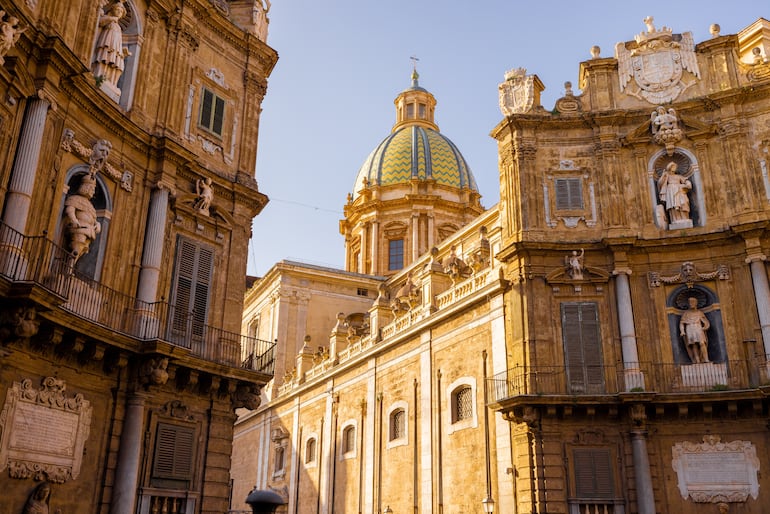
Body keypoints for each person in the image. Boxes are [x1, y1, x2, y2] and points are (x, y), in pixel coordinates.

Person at [64, 175, 101, 263]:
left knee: (82, 249)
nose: (93, 192)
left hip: (89, 230)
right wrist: (73, 219)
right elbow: (70, 209)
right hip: (79, 227)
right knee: (77, 247)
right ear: (86, 188)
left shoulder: (91, 206)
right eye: (92, 189)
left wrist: (98, 224)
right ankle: (68, 268)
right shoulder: (75, 198)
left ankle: (70, 268)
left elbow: (94, 219)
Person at [92, 2, 129, 87]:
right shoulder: (108, 18)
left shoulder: (119, 27)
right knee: (104, 58)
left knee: (119, 66)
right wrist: (111, 19)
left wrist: (123, 51)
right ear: (112, 10)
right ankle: (99, 76)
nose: (119, 12)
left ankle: (111, 81)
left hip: (115, 49)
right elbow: (100, 22)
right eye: (117, 10)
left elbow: (117, 41)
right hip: (106, 44)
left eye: (121, 11)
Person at [679, 297, 710, 363]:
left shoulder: (699, 313)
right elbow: (681, 323)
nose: (691, 304)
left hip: (698, 328)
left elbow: (706, 322)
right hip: (689, 328)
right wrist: (682, 331)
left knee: (702, 343)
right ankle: (697, 360)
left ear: (696, 303)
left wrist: (705, 327)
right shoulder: (686, 313)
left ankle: (706, 359)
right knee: (694, 344)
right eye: (690, 302)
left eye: (693, 302)